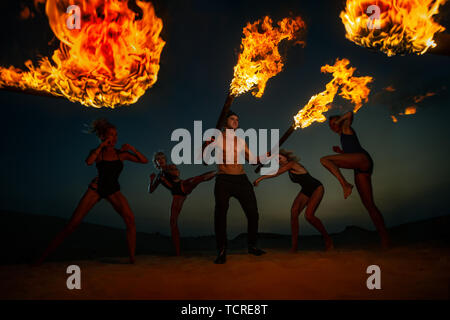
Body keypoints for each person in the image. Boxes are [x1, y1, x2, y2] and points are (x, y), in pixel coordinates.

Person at [34, 118, 148, 265]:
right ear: (102, 136)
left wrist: (132, 149)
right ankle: (42, 258)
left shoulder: (121, 154)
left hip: (113, 190)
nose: (115, 138)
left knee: (130, 220)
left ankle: (132, 259)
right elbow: (89, 162)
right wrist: (101, 146)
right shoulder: (97, 153)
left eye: (116, 135)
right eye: (111, 135)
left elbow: (144, 160)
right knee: (72, 225)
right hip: (96, 189)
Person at [320, 111, 390, 248]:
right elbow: (351, 153)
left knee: (324, 160)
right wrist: (341, 153)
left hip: (362, 159)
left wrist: (340, 120)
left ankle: (345, 185)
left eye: (334, 122)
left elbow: (350, 114)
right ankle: (385, 239)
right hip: (360, 168)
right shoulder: (342, 136)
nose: (332, 126)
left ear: (339, 122)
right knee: (369, 205)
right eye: (330, 125)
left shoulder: (346, 128)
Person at [204, 110, 266, 264]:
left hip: (241, 180)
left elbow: (252, 160)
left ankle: (252, 246)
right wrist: (206, 146)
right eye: (232, 118)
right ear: (225, 122)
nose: (236, 121)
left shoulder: (240, 141)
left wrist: (263, 158)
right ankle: (222, 250)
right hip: (224, 179)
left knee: (253, 213)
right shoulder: (216, 138)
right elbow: (205, 160)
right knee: (220, 215)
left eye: (237, 119)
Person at [254, 149, 333, 251]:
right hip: (306, 190)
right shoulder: (288, 169)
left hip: (316, 188)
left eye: (279, 158)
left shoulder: (292, 164)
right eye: (276, 160)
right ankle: (294, 247)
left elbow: (276, 173)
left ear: (286, 157)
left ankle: (328, 239)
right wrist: (268, 156)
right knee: (294, 212)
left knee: (309, 216)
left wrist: (259, 179)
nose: (279, 161)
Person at [148, 152, 216, 256]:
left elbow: (176, 174)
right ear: (156, 163)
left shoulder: (169, 167)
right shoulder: (158, 176)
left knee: (198, 179)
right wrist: (151, 180)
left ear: (165, 160)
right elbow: (151, 190)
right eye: (158, 159)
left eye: (162, 158)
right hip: (177, 195)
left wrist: (169, 170)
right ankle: (177, 252)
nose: (161, 160)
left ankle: (219, 172)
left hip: (182, 186)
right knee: (173, 222)